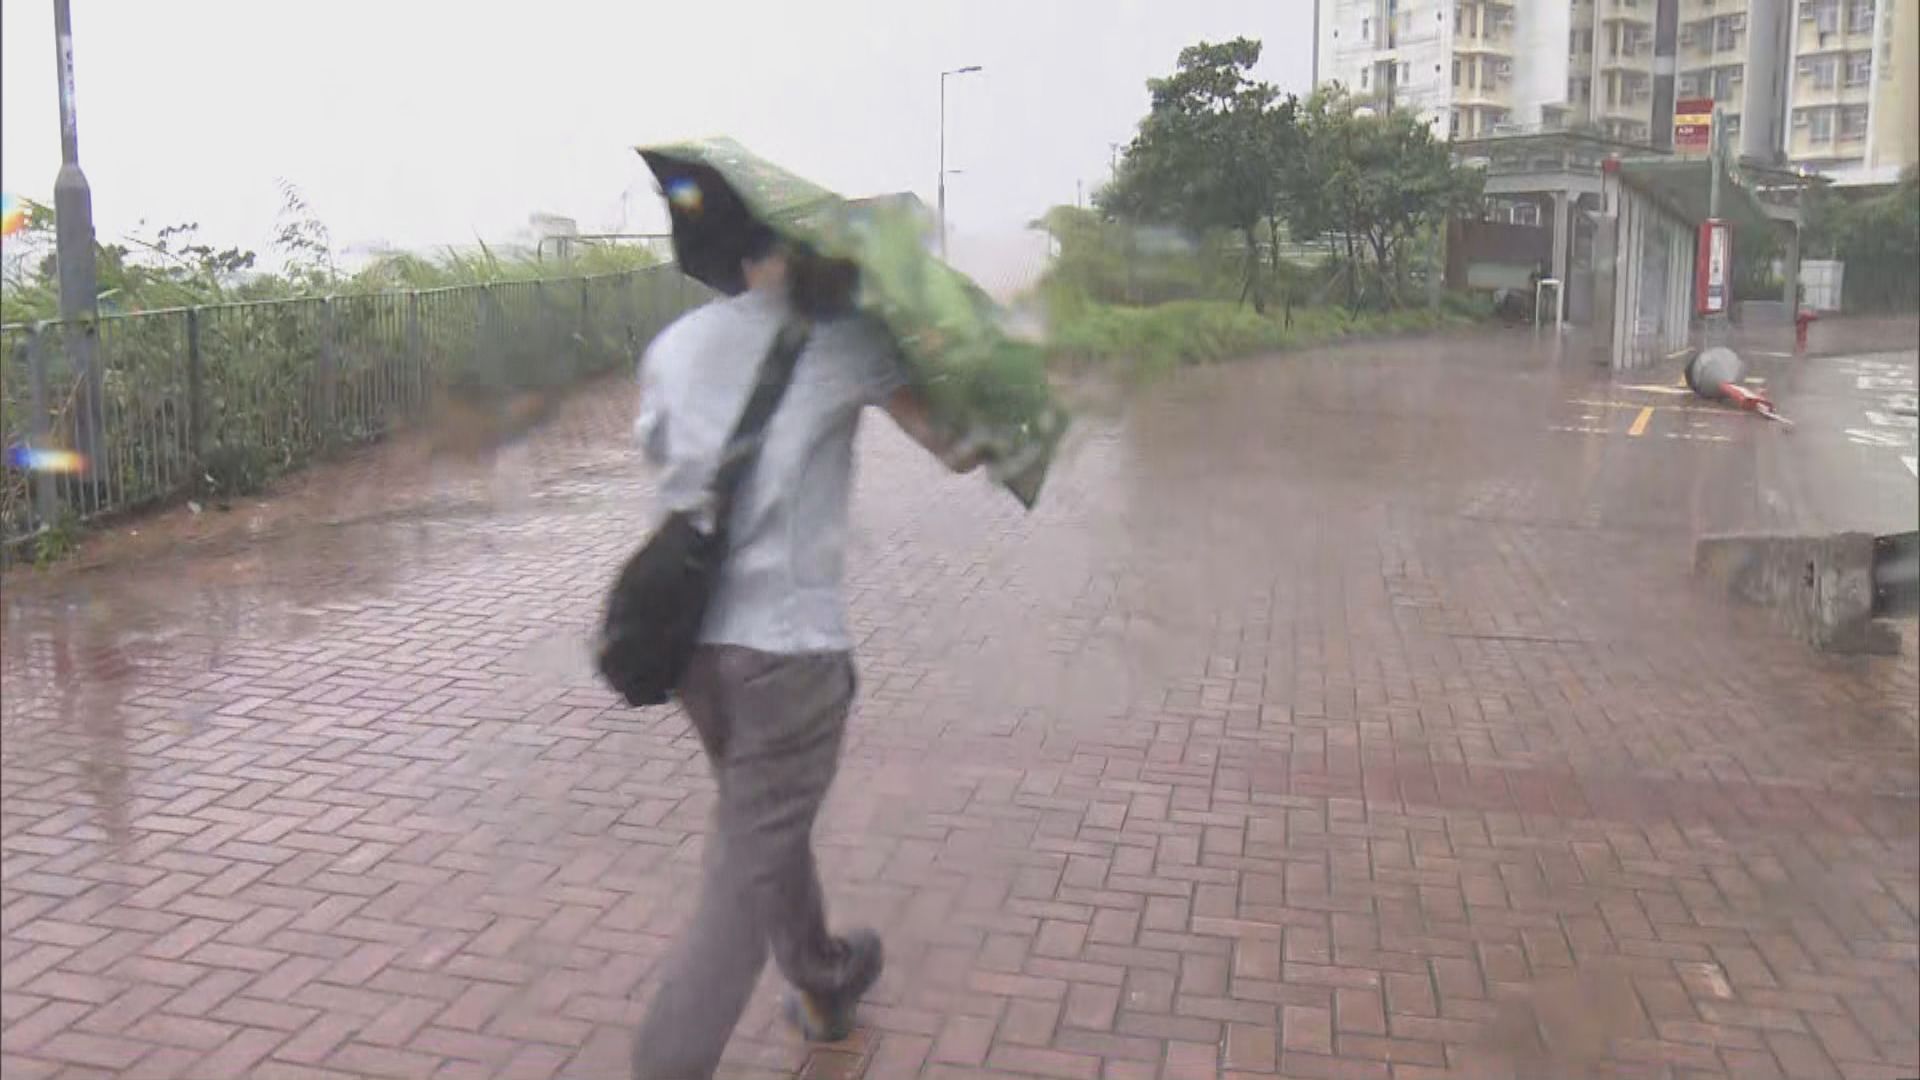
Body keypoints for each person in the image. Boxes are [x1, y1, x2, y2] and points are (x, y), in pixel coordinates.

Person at [628, 225, 980, 1080]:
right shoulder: (843, 339)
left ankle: (824, 977)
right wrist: (942, 357)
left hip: (694, 654)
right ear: (792, 247)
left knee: (763, 828)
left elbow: (662, 460)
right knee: (740, 883)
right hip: (790, 657)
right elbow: (961, 449)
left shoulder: (673, 345)